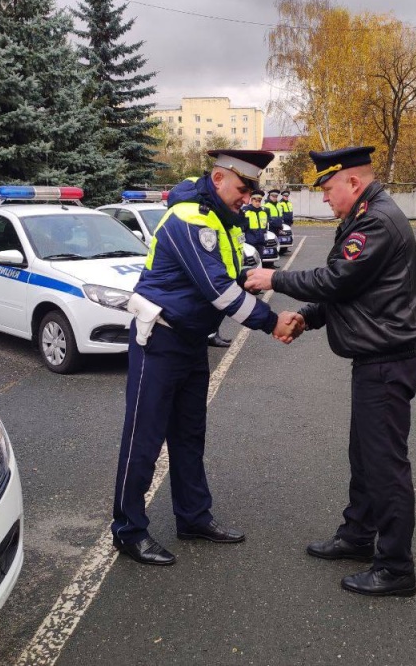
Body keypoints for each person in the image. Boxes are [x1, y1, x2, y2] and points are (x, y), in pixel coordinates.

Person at [245, 146, 416, 597]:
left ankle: (396, 568)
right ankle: (358, 536)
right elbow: (348, 291)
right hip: (377, 359)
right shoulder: (362, 217)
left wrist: (275, 278)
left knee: (384, 466)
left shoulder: (376, 222)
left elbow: (337, 280)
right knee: (364, 457)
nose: (324, 197)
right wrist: (307, 318)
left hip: (387, 361)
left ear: (353, 182)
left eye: (328, 188)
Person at [112, 150, 304, 566]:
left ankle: (193, 517)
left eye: (251, 191)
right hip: (159, 341)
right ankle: (128, 530)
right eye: (242, 188)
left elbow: (230, 277)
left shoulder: (220, 219)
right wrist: (272, 321)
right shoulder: (189, 219)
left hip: (190, 341)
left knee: (189, 436)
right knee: (143, 439)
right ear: (218, 179)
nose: (247, 198)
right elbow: (218, 289)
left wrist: (265, 281)